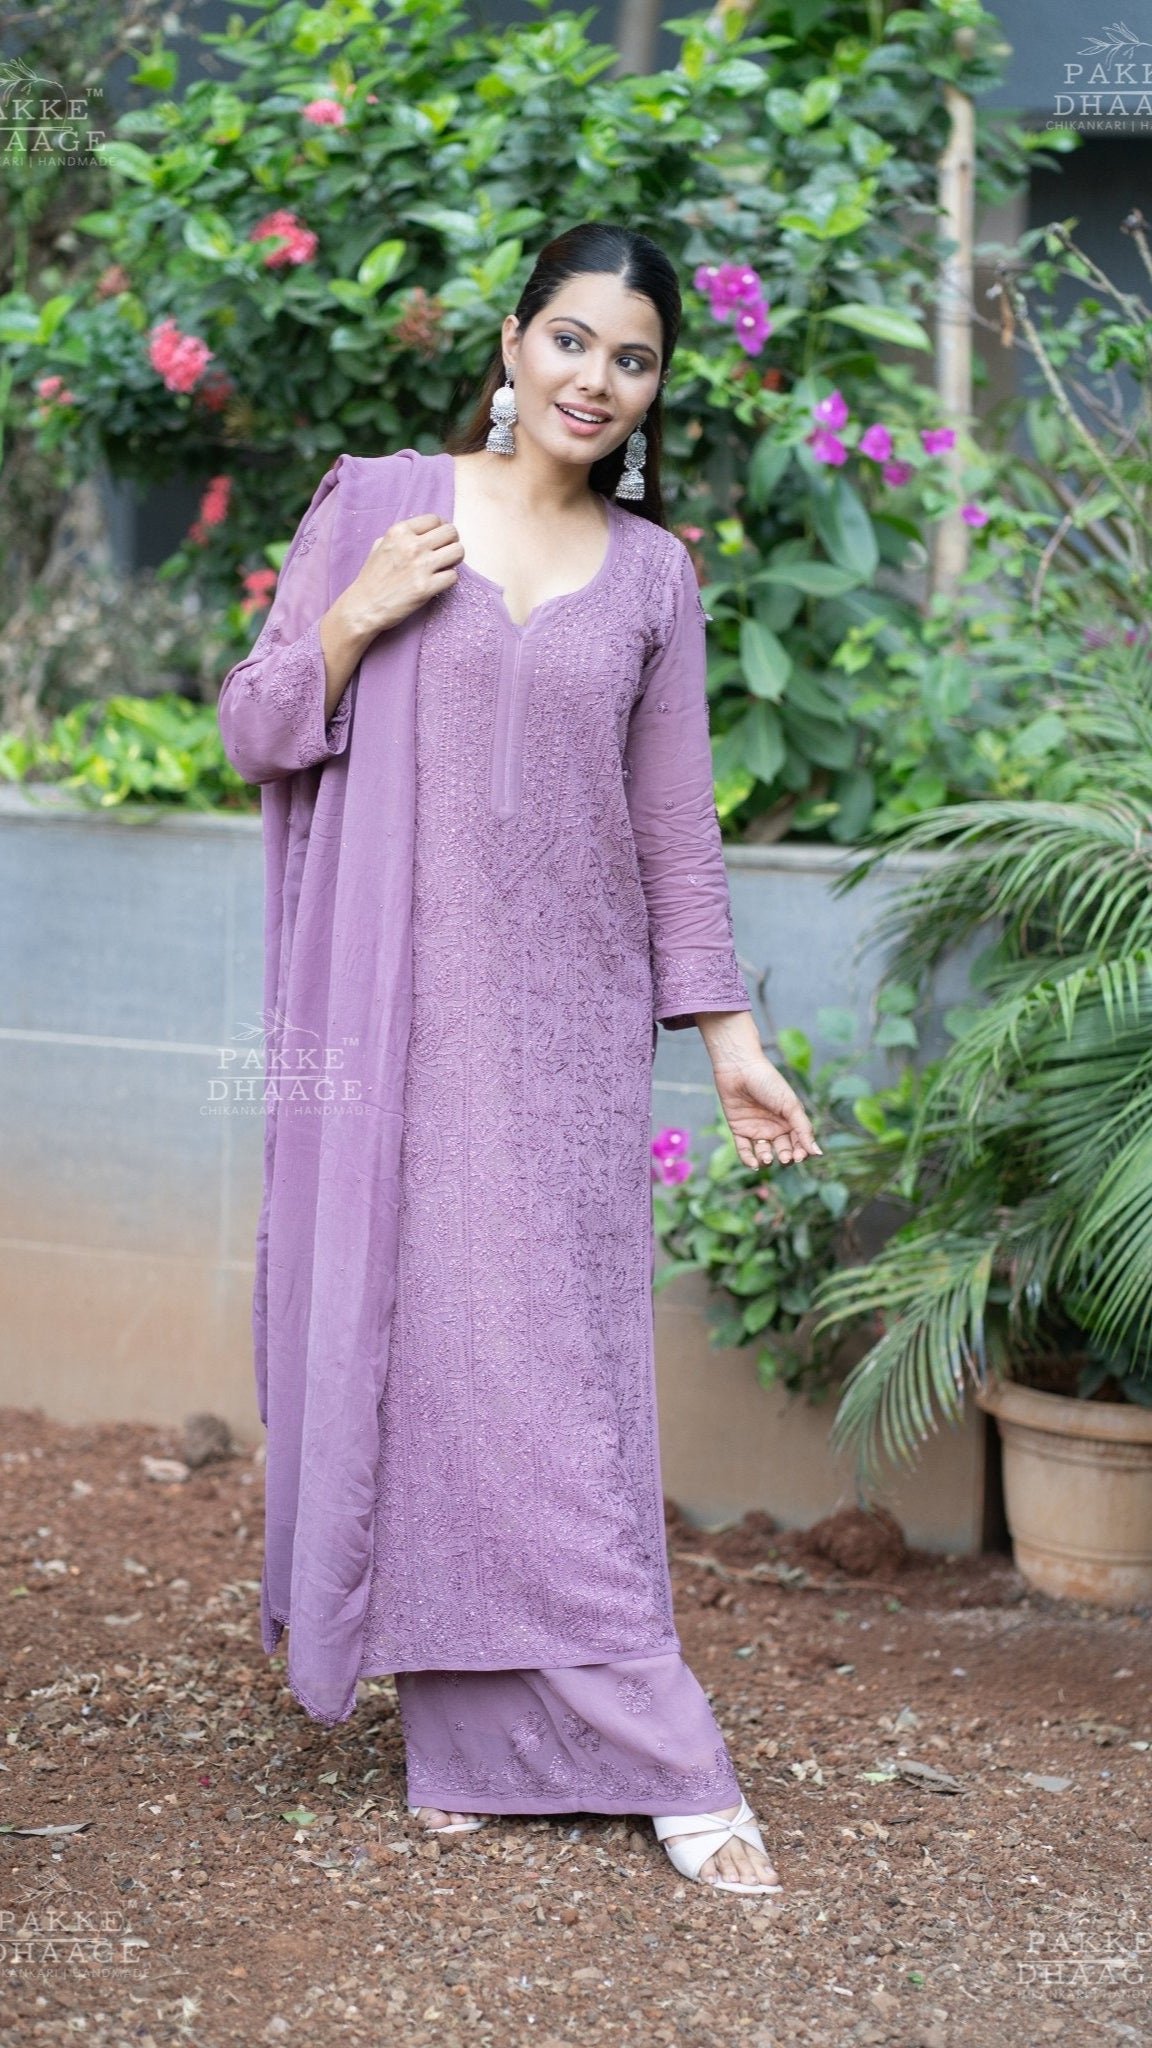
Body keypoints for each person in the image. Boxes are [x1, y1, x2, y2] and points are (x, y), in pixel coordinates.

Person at [218, 222, 822, 1897]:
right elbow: (252, 723)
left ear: (652, 395)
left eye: (631, 361)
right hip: (391, 1016)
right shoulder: (380, 505)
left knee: (557, 1387)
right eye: (571, 341)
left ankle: (643, 1731)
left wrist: (732, 1042)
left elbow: (675, 831)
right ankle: (492, 1735)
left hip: (563, 1030)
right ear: (511, 340)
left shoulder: (655, 578)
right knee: (421, 1357)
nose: (594, 381)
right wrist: (347, 621)